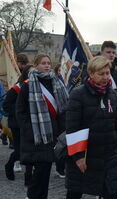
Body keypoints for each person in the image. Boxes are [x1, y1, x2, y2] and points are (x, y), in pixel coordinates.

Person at [65, 56, 117, 199]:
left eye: (107, 73)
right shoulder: (78, 94)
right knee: (75, 191)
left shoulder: (112, 94)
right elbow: (72, 127)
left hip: (109, 154)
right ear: (91, 74)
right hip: (86, 154)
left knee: (112, 191)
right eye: (101, 74)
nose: (105, 77)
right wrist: (78, 157)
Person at [16, 54, 69, 199]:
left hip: (51, 136)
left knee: (45, 171)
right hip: (36, 135)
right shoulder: (28, 85)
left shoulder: (55, 83)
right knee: (39, 172)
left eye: (49, 63)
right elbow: (20, 112)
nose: (47, 66)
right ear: (36, 65)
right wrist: (29, 130)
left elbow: (62, 110)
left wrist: (60, 131)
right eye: (43, 63)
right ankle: (32, 196)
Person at [3, 65, 34, 185]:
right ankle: (9, 165)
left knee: (31, 149)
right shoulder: (17, 88)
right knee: (20, 151)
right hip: (17, 123)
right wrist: (20, 110)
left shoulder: (36, 87)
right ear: (25, 74)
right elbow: (6, 105)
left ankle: (28, 177)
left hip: (30, 123)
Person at [100, 41, 117, 115]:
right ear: (102, 53)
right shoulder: (93, 72)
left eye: (113, 53)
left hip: (116, 114)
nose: (111, 55)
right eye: (108, 52)